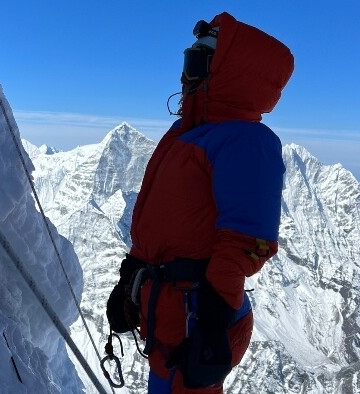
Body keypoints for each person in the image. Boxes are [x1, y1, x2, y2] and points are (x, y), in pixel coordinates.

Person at [106, 12, 294, 393]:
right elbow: (169, 220)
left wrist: (213, 318)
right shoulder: (186, 134)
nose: (184, 76)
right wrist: (133, 273)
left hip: (197, 311)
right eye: (185, 62)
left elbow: (244, 240)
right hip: (170, 308)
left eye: (195, 64)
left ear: (228, 74)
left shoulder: (244, 141)